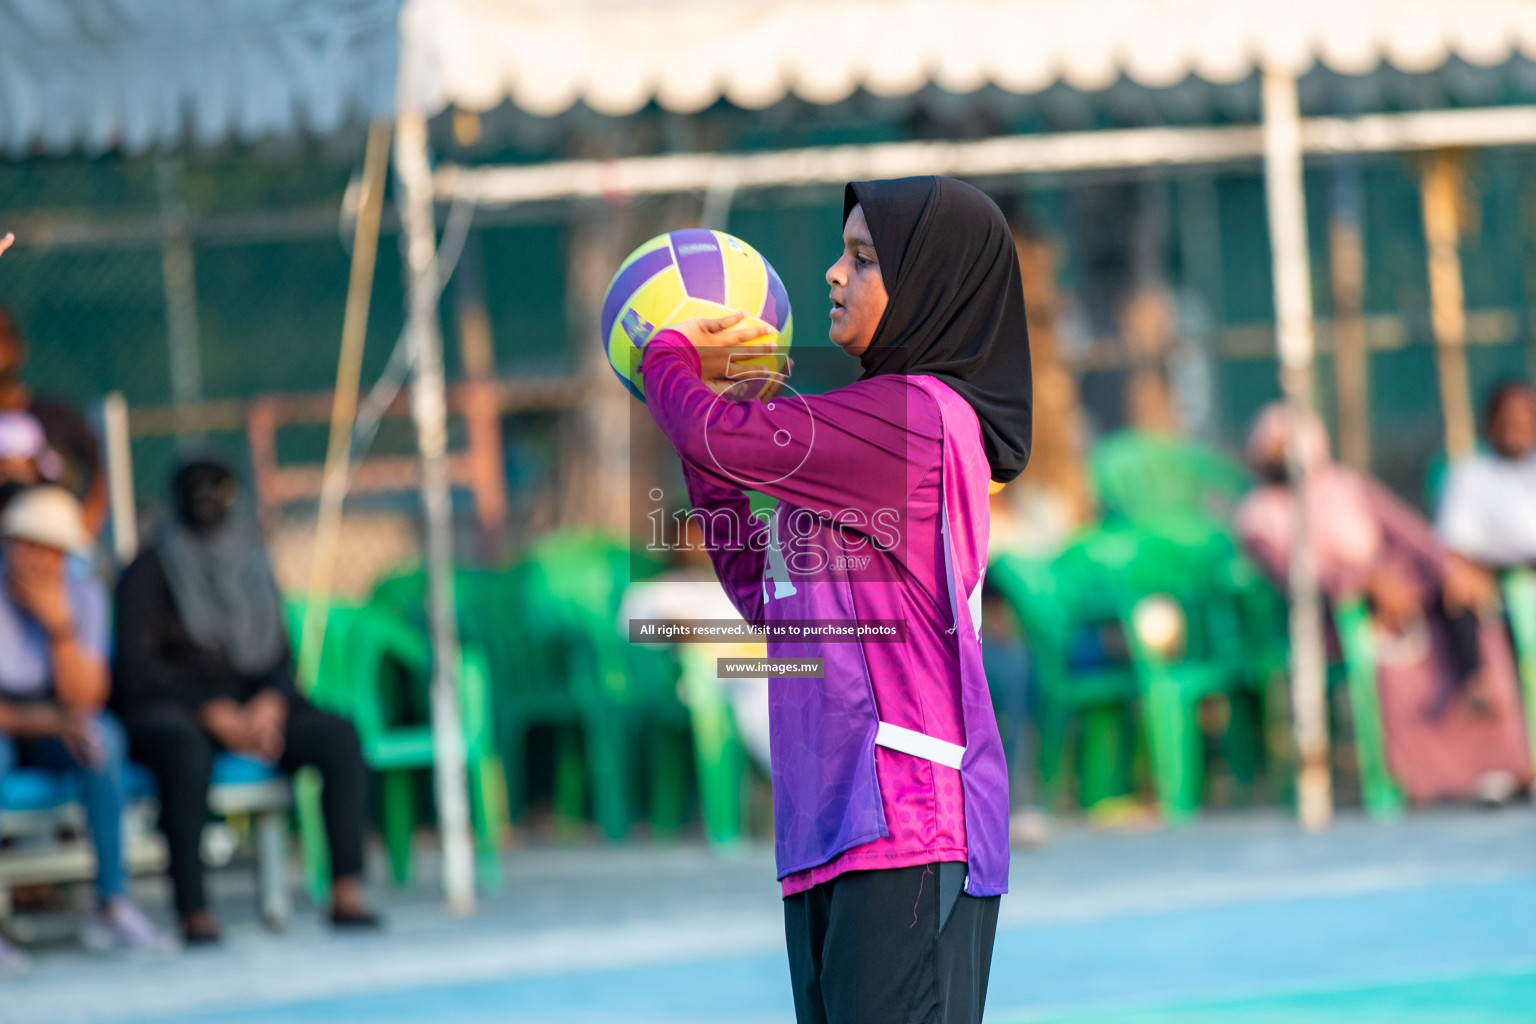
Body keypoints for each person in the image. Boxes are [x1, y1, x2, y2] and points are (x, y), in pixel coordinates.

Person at [639, 177, 1029, 1024]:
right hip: (828, 829)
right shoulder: (859, 436)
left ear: (931, 284)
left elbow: (714, 430)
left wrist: (664, 354)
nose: (831, 274)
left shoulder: (920, 418)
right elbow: (765, 599)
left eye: (862, 258)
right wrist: (720, 441)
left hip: (910, 819)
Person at [111, 458, 377, 944]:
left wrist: (272, 702)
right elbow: (135, 673)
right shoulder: (149, 571)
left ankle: (346, 891)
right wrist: (210, 712)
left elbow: (278, 656)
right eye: (198, 491)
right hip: (176, 707)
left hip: (253, 704)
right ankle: (193, 910)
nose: (208, 502)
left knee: (338, 736)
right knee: (184, 753)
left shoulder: (252, 561)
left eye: (219, 490)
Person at [1236, 403, 1532, 804]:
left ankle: (1502, 762)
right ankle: (1417, 780)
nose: (1281, 456)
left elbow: (1411, 535)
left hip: (1409, 595)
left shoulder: (1347, 487)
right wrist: (1364, 583)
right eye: (1273, 448)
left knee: (1466, 603)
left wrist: (1450, 568)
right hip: (1341, 618)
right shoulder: (1258, 517)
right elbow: (1294, 577)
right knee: (1400, 661)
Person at [0, 486, 170, 971]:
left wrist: (57, 624)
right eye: (30, 545)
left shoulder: (83, 596)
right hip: (14, 727)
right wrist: (49, 720)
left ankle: (112, 904)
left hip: (59, 724)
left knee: (104, 740)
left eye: (51, 550)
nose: (40, 560)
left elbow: (86, 698)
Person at [0, 309, 107, 537]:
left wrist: (87, 519)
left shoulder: (55, 416)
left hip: (49, 547)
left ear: (16, 348)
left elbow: (99, 460)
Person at [1437, 381, 1536, 581]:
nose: (1516, 426)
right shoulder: (1469, 474)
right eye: (1508, 418)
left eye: (1525, 417)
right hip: (1498, 587)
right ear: (1491, 422)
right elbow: (1455, 548)